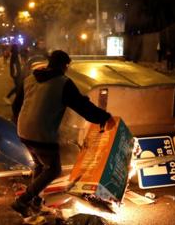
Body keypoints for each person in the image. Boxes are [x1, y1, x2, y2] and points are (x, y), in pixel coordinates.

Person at [10, 50, 116, 217]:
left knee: (40, 165)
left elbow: (16, 105)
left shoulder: (29, 79)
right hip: (41, 134)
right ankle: (23, 200)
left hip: (23, 130)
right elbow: (82, 105)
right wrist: (104, 117)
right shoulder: (62, 82)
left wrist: (19, 123)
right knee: (53, 170)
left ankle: (35, 201)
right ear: (65, 66)